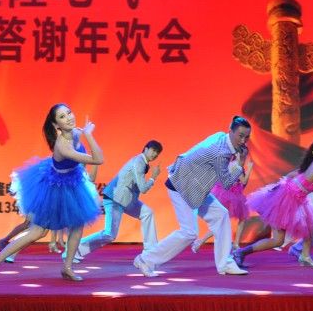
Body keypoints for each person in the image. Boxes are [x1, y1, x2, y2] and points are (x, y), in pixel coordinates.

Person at [0, 103, 103, 282]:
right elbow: (98, 159)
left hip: (71, 184)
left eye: (69, 113)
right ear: (56, 125)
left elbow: (83, 163)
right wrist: (89, 134)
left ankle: (67, 268)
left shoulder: (75, 133)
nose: (69, 117)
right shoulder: (63, 146)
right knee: (37, 232)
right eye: (62, 117)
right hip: (53, 187)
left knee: (77, 225)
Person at [133, 116, 252, 277]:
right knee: (189, 232)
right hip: (181, 187)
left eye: (247, 137)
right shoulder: (221, 152)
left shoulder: (221, 136)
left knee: (221, 215)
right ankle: (145, 260)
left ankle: (225, 263)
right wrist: (240, 163)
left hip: (195, 187)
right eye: (240, 136)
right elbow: (227, 183)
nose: (243, 141)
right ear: (230, 131)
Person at [233, 138, 313, 268]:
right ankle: (241, 252)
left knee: (308, 228)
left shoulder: (312, 167)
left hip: (294, 199)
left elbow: (292, 174)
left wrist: (284, 186)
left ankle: (305, 256)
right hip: (286, 201)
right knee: (279, 240)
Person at [73, 140, 163, 263]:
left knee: (147, 213)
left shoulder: (141, 161)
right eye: (153, 150)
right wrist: (153, 177)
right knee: (109, 235)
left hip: (126, 200)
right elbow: (143, 188)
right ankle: (74, 250)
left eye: (157, 153)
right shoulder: (139, 161)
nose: (155, 154)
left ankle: (151, 251)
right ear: (146, 149)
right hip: (115, 199)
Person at [192, 152, 254, 252]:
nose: (245, 158)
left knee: (241, 219)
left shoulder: (237, 165)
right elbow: (243, 181)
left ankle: (236, 244)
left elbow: (241, 185)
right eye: (243, 156)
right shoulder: (235, 165)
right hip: (227, 196)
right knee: (221, 222)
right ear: (238, 155)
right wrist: (250, 169)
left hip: (234, 195)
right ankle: (201, 241)